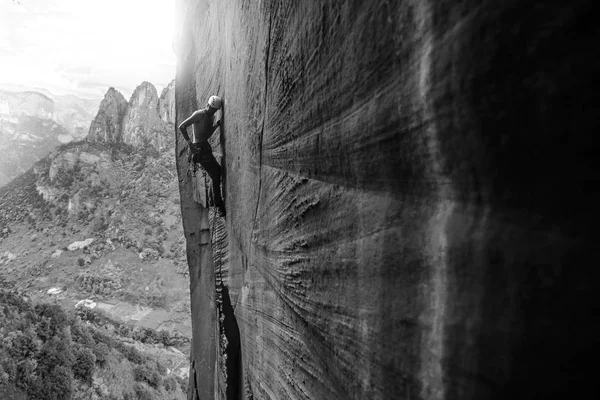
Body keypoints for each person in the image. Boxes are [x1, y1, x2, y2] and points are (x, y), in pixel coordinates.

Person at [179, 95, 225, 217]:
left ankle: (214, 201)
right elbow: (182, 126)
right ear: (207, 105)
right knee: (216, 175)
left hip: (205, 148)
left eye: (214, 110)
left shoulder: (211, 117)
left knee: (216, 173)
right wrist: (190, 145)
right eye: (211, 109)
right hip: (199, 149)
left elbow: (207, 134)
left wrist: (216, 125)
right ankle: (218, 206)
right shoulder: (198, 114)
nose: (212, 111)